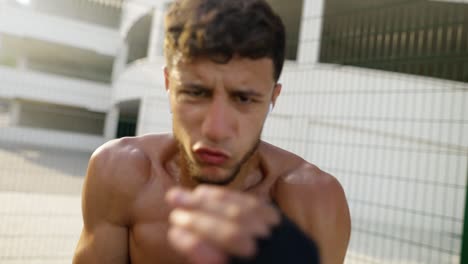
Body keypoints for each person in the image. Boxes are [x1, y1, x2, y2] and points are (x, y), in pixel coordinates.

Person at [72, 0, 351, 263]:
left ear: (272, 98)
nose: (216, 129)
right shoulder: (121, 170)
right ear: (169, 84)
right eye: (196, 92)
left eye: (244, 98)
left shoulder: (312, 200)